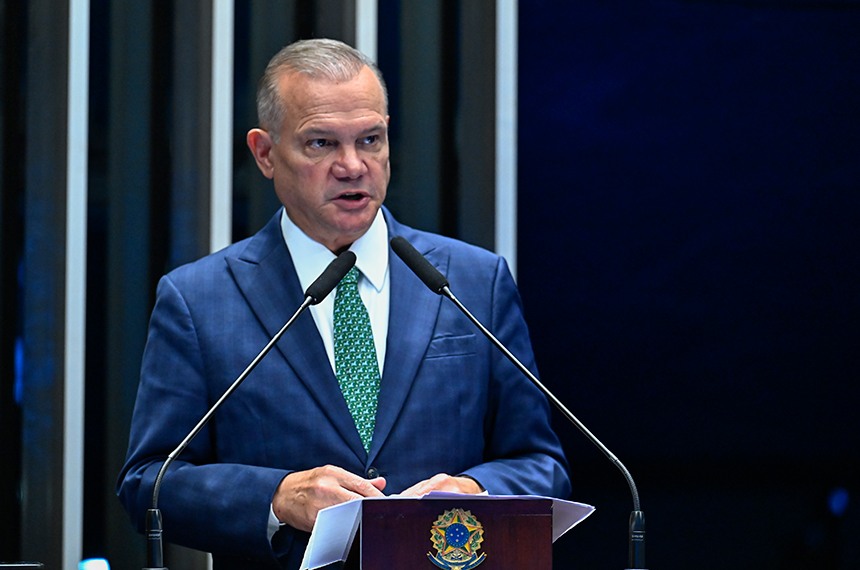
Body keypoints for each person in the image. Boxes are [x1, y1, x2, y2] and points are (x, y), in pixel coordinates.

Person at [117, 38, 570, 570]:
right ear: (265, 153)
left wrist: (475, 488)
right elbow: (150, 480)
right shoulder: (199, 300)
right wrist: (278, 496)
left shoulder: (472, 281)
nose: (353, 166)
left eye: (370, 140)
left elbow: (541, 463)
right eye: (321, 144)